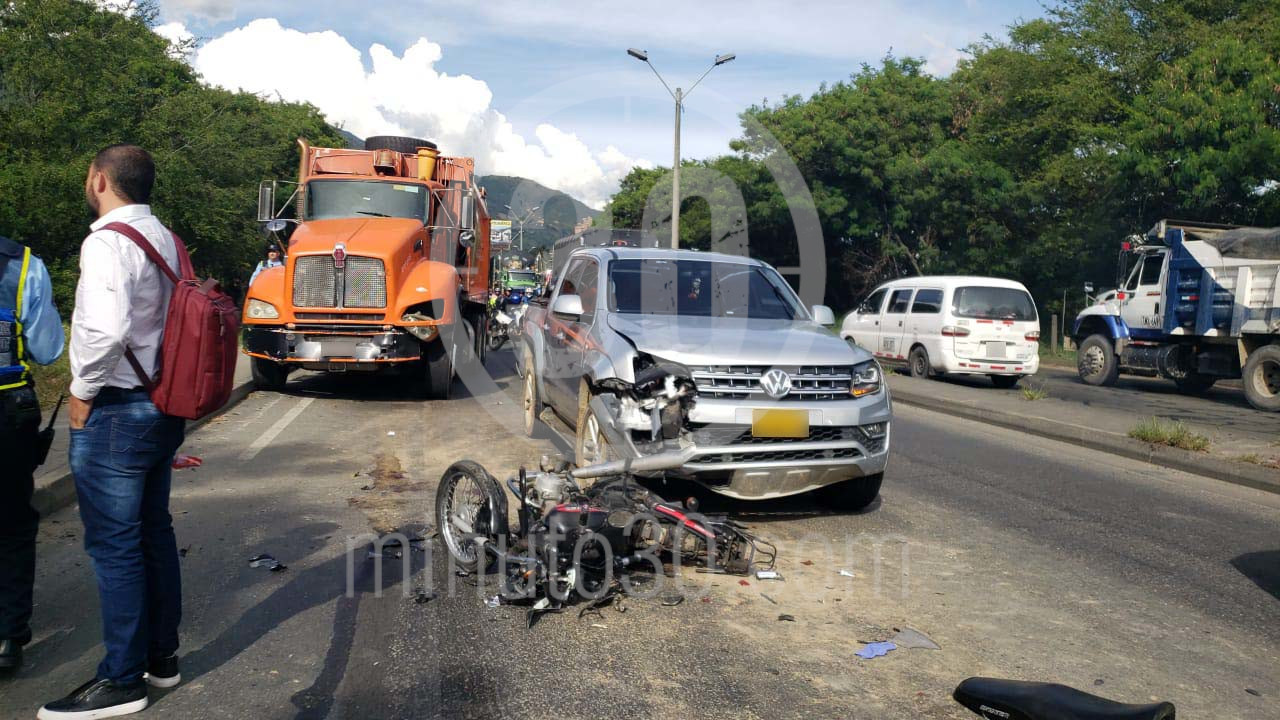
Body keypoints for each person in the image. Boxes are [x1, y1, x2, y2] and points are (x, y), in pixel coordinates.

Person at [39, 145, 185, 719]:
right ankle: (161, 660)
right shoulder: (165, 239)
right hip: (161, 406)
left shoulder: (107, 240)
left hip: (119, 409)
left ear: (99, 179)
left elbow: (104, 329)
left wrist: (80, 392)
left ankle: (123, 680)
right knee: (153, 533)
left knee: (116, 546)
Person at [0, 236, 64, 675]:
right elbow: (47, 350)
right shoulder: (22, 266)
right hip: (7, 410)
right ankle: (6, 638)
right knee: (12, 525)